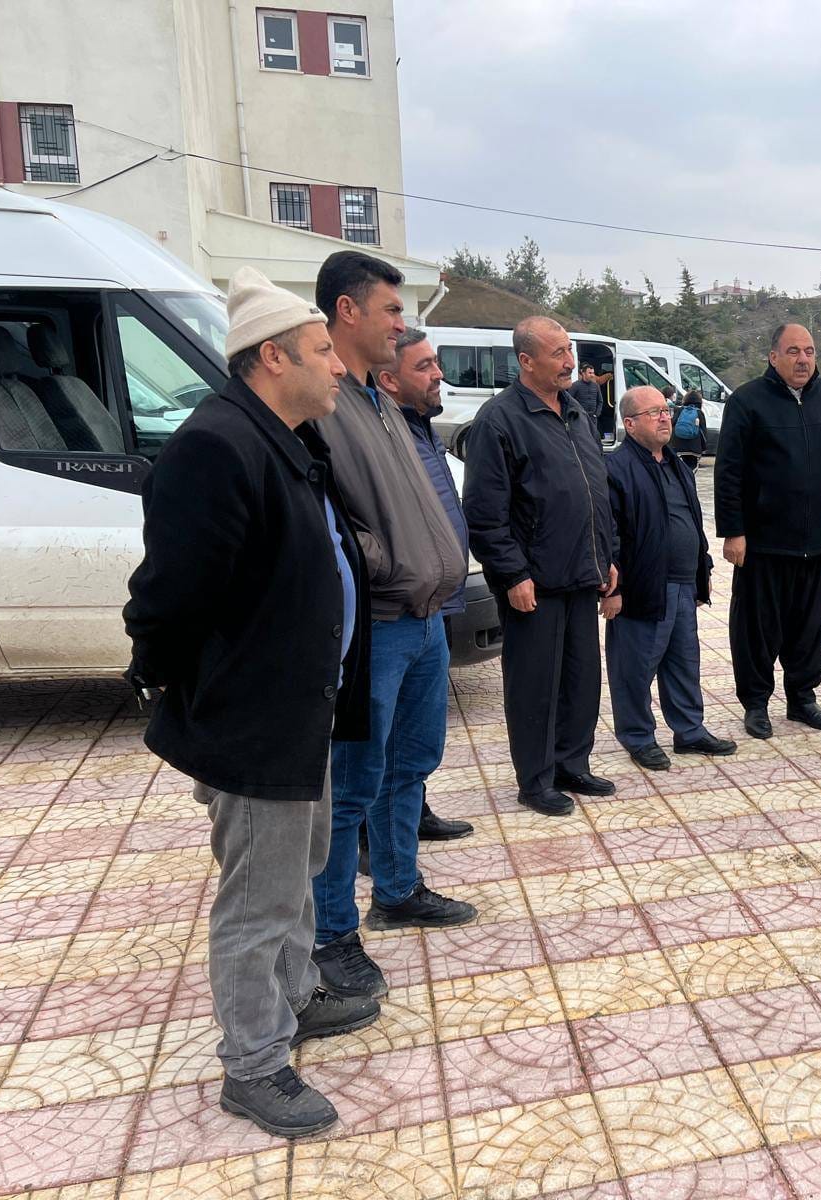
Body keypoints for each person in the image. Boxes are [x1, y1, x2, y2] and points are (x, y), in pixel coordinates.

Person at [124, 268, 377, 1139]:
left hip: (304, 709)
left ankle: (295, 996)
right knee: (258, 897)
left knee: (299, 871)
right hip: (255, 719)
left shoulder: (283, 438)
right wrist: (170, 677)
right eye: (320, 352)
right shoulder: (218, 446)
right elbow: (169, 596)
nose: (337, 366)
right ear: (273, 358)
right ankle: (255, 1062)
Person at [309, 252, 477, 1008]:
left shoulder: (381, 400)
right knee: (350, 787)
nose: (401, 325)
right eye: (391, 311)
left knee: (410, 764)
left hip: (425, 620)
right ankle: (332, 935)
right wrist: (391, 565)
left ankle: (398, 889)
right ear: (347, 312)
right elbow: (330, 520)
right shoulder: (325, 401)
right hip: (377, 625)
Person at [463, 316, 618, 815]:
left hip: (582, 574)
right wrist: (513, 574)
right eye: (558, 353)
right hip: (534, 583)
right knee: (535, 687)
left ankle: (572, 764)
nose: (570, 361)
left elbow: (596, 494)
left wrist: (607, 556)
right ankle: (535, 780)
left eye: (570, 350)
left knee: (581, 680)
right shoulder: (499, 420)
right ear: (526, 361)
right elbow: (484, 513)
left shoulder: (577, 413)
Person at [714, 323, 821, 739]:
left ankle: (802, 698)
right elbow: (729, 472)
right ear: (773, 356)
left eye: (809, 351)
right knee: (757, 629)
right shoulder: (747, 401)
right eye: (793, 351)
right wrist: (734, 531)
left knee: (809, 627)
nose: (803, 359)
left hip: (816, 542)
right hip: (763, 543)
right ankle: (756, 703)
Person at [372, 327, 475, 841]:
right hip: (400, 607)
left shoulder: (422, 427)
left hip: (437, 602)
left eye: (435, 362)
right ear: (389, 381)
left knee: (415, 733)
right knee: (383, 735)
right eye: (425, 366)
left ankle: (412, 812)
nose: (439, 374)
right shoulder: (384, 435)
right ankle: (373, 838)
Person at [603, 385, 738, 769]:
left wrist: (702, 567)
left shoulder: (677, 464)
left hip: (682, 584)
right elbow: (608, 533)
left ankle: (689, 731)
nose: (665, 417)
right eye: (654, 413)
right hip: (642, 587)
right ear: (630, 424)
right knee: (634, 667)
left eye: (665, 410)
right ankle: (638, 737)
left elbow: (691, 520)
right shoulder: (616, 468)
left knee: (683, 663)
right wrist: (613, 588)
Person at [670, 388, 708, 469]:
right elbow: (703, 432)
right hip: (694, 447)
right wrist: (703, 448)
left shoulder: (680, 410)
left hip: (678, 445)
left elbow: (672, 424)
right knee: (691, 469)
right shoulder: (699, 413)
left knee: (679, 468)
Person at [571, 362, 604, 436]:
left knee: (593, 437)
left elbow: (600, 401)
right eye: (590, 373)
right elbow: (569, 401)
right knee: (582, 437)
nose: (592, 375)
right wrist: (576, 414)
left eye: (593, 373)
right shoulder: (575, 385)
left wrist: (597, 414)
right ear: (583, 373)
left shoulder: (596, 386)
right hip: (580, 418)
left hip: (593, 418)